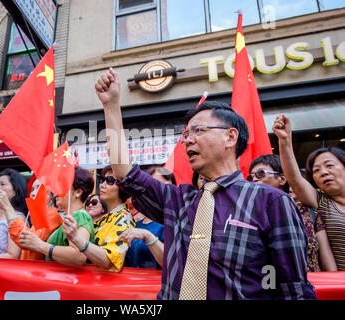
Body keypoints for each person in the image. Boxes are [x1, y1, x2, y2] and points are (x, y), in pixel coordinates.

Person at [95, 67, 316, 299]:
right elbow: (124, 172)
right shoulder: (177, 200)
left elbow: (294, 289)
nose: (188, 140)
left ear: (230, 137)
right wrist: (111, 105)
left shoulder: (271, 202)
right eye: (187, 134)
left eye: (198, 130)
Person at [273, 114, 345, 271]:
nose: (323, 172)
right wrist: (285, 141)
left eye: (329, 165)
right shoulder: (321, 202)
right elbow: (295, 178)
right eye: (316, 171)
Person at [249, 154, 337, 272]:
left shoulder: (310, 214)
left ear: (282, 179)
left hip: (312, 286)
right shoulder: (250, 215)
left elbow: (328, 263)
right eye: (251, 177)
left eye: (260, 173)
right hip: (269, 286)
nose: (254, 180)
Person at [16, 167, 95, 266]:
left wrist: (40, 245)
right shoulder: (71, 216)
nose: (55, 190)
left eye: (62, 186)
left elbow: (78, 256)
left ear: (78, 192)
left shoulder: (80, 215)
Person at [63, 165, 135, 272]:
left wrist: (76, 239)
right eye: (102, 180)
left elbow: (108, 260)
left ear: (123, 187)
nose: (102, 185)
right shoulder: (106, 218)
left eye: (110, 181)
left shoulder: (123, 217)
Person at [121, 166, 167, 269]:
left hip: (159, 283)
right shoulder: (135, 220)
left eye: (165, 186)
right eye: (155, 186)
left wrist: (148, 236)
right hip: (131, 282)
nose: (160, 191)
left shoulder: (175, 221)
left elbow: (172, 263)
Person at [8, 178, 62, 260]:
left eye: (39, 188)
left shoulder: (53, 215)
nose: (33, 193)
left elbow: (27, 242)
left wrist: (6, 206)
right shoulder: (40, 216)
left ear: (51, 195)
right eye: (32, 189)